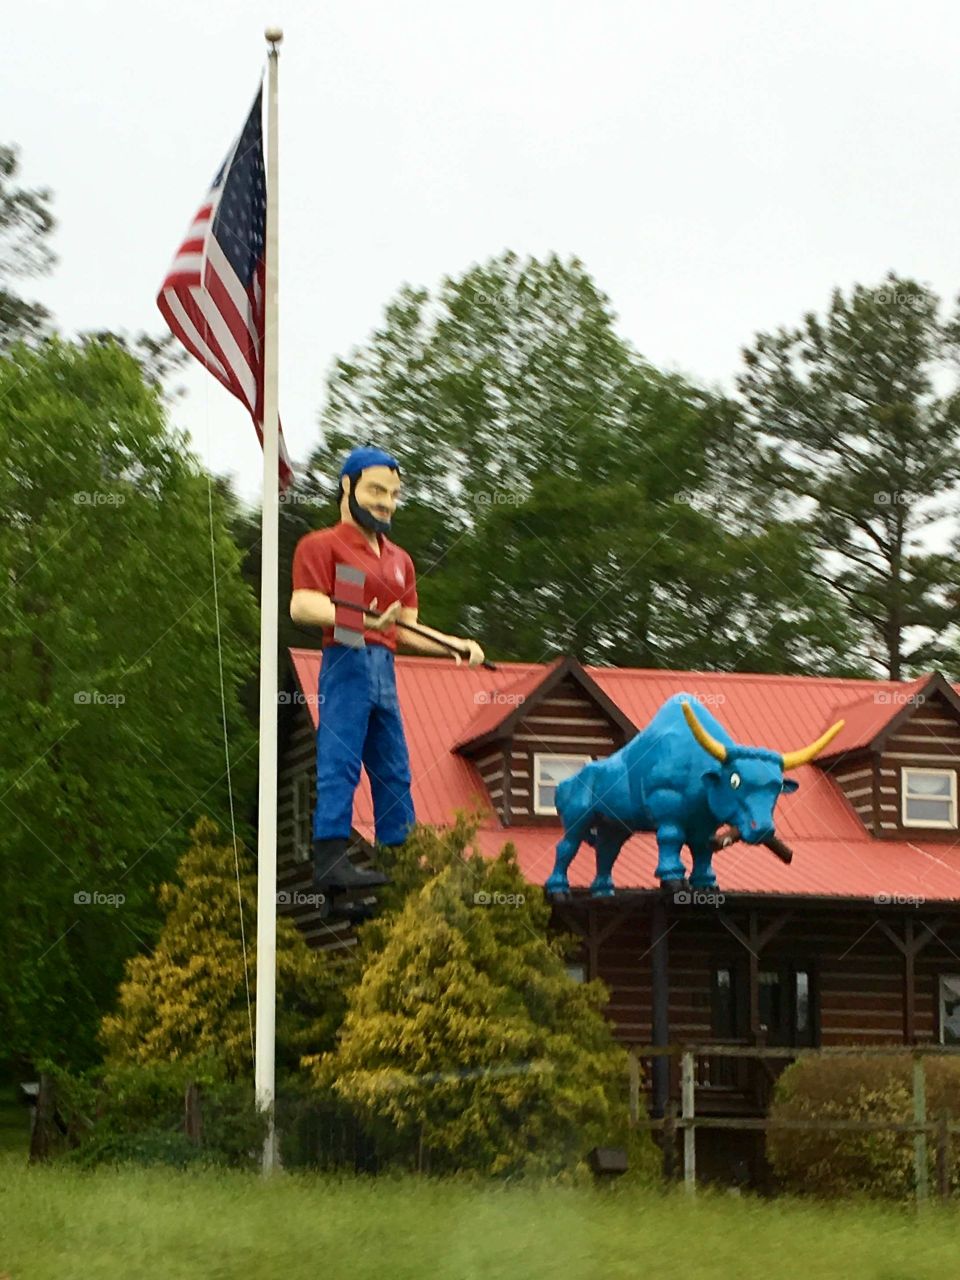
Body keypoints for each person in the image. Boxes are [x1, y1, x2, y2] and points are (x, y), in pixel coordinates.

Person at [291, 445, 485, 893]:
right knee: (340, 762)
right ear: (347, 486)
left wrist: (453, 645)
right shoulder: (323, 545)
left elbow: (405, 628)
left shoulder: (400, 560)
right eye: (376, 491)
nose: (386, 503)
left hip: (384, 668)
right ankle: (331, 860)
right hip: (346, 658)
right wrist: (362, 620)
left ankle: (400, 861)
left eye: (394, 495)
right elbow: (303, 605)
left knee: (394, 767)